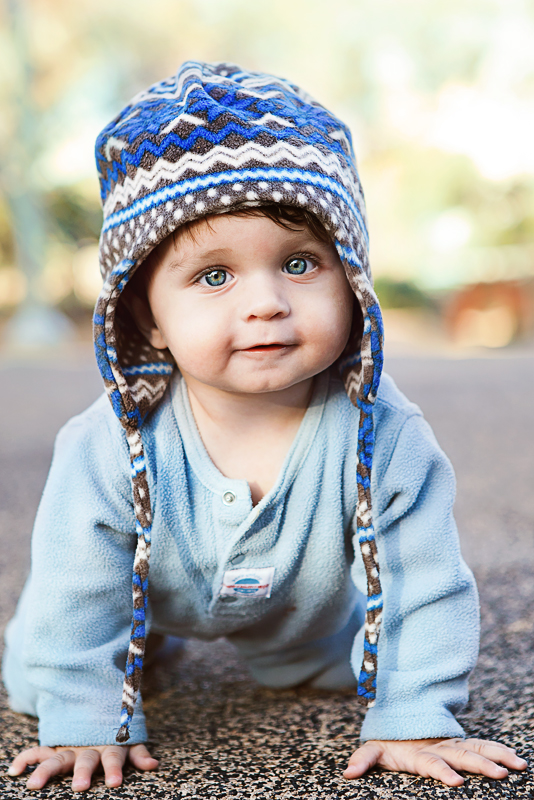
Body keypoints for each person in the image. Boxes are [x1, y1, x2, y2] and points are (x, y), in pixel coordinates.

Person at [3, 61, 526, 792]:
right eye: (214, 276)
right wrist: (85, 723)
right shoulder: (109, 443)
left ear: (352, 277)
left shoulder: (383, 434)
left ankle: (292, 656)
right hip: (135, 590)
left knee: (335, 665)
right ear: (146, 316)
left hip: (301, 612)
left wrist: (415, 714)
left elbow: (422, 582)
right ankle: (135, 653)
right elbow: (75, 588)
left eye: (301, 263)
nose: (266, 303)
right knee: (40, 681)